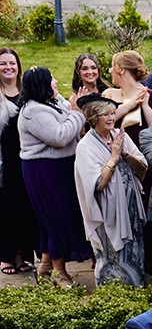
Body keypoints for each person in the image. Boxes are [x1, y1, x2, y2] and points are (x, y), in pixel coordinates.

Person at [18, 67, 92, 286]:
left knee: (55, 216)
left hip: (60, 168)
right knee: (53, 218)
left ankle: (45, 266)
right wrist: (78, 113)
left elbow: (68, 118)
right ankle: (60, 273)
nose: (56, 81)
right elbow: (60, 136)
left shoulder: (52, 102)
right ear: (42, 85)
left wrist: (73, 109)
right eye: (51, 80)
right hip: (44, 170)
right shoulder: (33, 112)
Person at [74, 95, 149, 286]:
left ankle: (136, 289)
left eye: (113, 113)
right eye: (105, 114)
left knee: (134, 252)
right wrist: (114, 157)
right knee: (111, 256)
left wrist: (125, 153)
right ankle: (112, 295)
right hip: (107, 214)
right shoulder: (86, 147)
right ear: (93, 117)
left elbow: (142, 167)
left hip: (130, 208)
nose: (111, 118)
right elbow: (98, 184)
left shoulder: (120, 136)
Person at [0, 48, 36, 276]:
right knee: (6, 209)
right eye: (3, 63)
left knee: (26, 208)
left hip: (27, 158)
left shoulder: (27, 91)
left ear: (18, 66)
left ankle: (23, 255)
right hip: (6, 161)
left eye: (11, 63)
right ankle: (5, 257)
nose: (8, 67)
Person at [103, 50, 152, 146]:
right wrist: (129, 105)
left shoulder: (151, 96)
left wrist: (145, 106)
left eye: (112, 66)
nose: (110, 70)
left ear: (121, 70)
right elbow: (100, 124)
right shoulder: (108, 94)